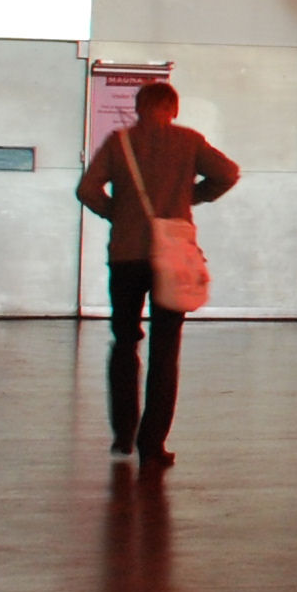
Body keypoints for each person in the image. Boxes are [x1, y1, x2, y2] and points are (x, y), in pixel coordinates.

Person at [73, 81, 239, 469]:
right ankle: (153, 444)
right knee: (166, 349)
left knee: (125, 340)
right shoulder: (189, 141)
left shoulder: (120, 142)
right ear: (174, 109)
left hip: (127, 256)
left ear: (138, 107)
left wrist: (117, 212)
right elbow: (228, 173)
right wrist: (192, 197)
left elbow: (86, 189)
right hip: (172, 259)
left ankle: (123, 435)